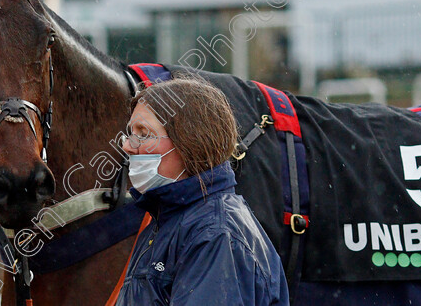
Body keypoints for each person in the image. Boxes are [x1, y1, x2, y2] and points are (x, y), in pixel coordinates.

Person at [113, 77, 289, 305]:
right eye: (131, 132)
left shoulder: (214, 233)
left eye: (144, 133)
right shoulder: (167, 221)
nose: (127, 145)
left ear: (189, 141)